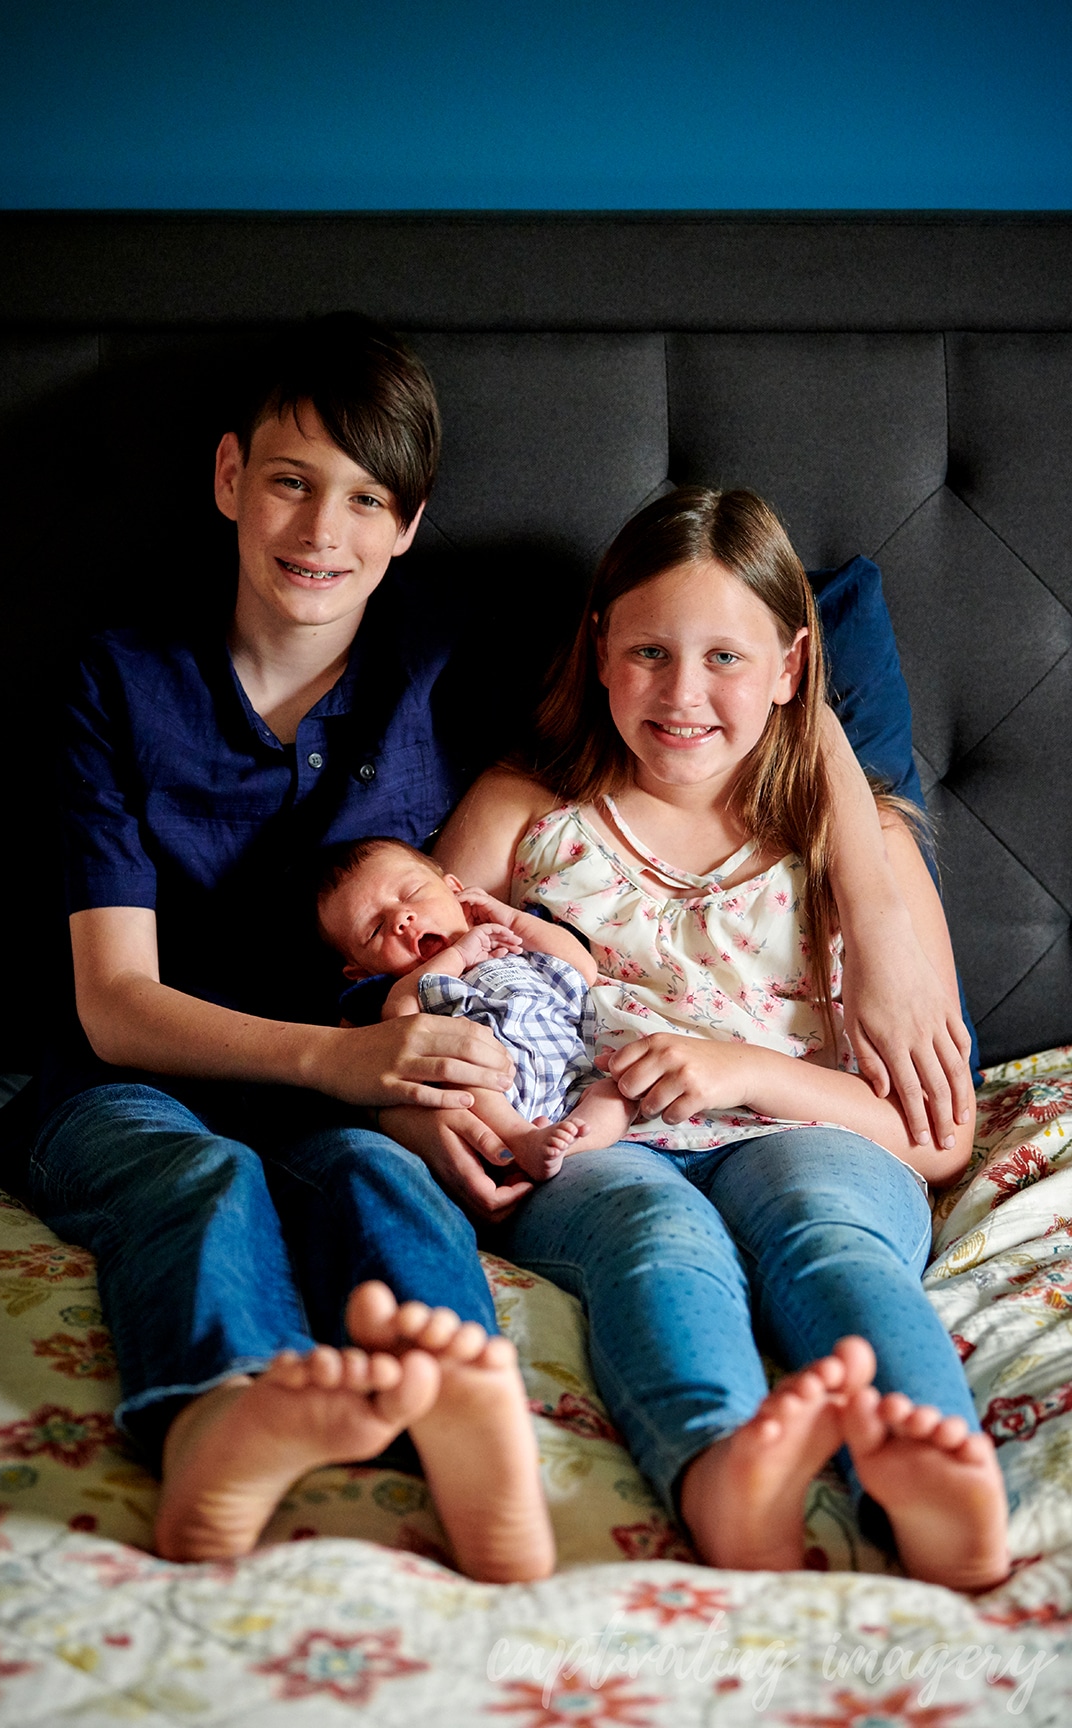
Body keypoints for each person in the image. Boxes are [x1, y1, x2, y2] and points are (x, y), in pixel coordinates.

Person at [0, 313, 554, 1582]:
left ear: (407, 523)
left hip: (352, 1104)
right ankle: (226, 1413)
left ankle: (455, 1409)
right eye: (290, 482)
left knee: (383, 1186)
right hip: (133, 1081)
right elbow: (117, 1002)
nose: (320, 531)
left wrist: (868, 848)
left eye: (363, 499)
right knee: (197, 1186)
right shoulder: (117, 681)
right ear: (231, 478)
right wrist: (345, 1066)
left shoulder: (445, 659)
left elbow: (720, 644)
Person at [430, 485, 1009, 1591]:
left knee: (827, 1231)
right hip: (598, 1145)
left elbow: (935, 1143)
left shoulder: (860, 844)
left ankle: (937, 1469)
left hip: (814, 1134)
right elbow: (417, 1007)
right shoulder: (525, 814)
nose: (682, 693)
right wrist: (448, 1118)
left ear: (793, 666)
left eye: (726, 659)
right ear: (598, 651)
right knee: (656, 1242)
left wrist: (744, 1071)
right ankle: (719, 1471)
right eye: (648, 650)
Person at [315, 836, 638, 1179]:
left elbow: (583, 968)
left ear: (455, 889)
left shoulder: (515, 940)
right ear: (361, 971)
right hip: (493, 1088)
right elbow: (401, 1021)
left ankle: (564, 1148)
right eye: (376, 929)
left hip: (574, 1072)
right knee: (460, 1074)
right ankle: (522, 1139)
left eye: (411, 894)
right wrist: (460, 954)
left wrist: (511, 920)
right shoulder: (399, 988)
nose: (402, 918)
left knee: (618, 1093)